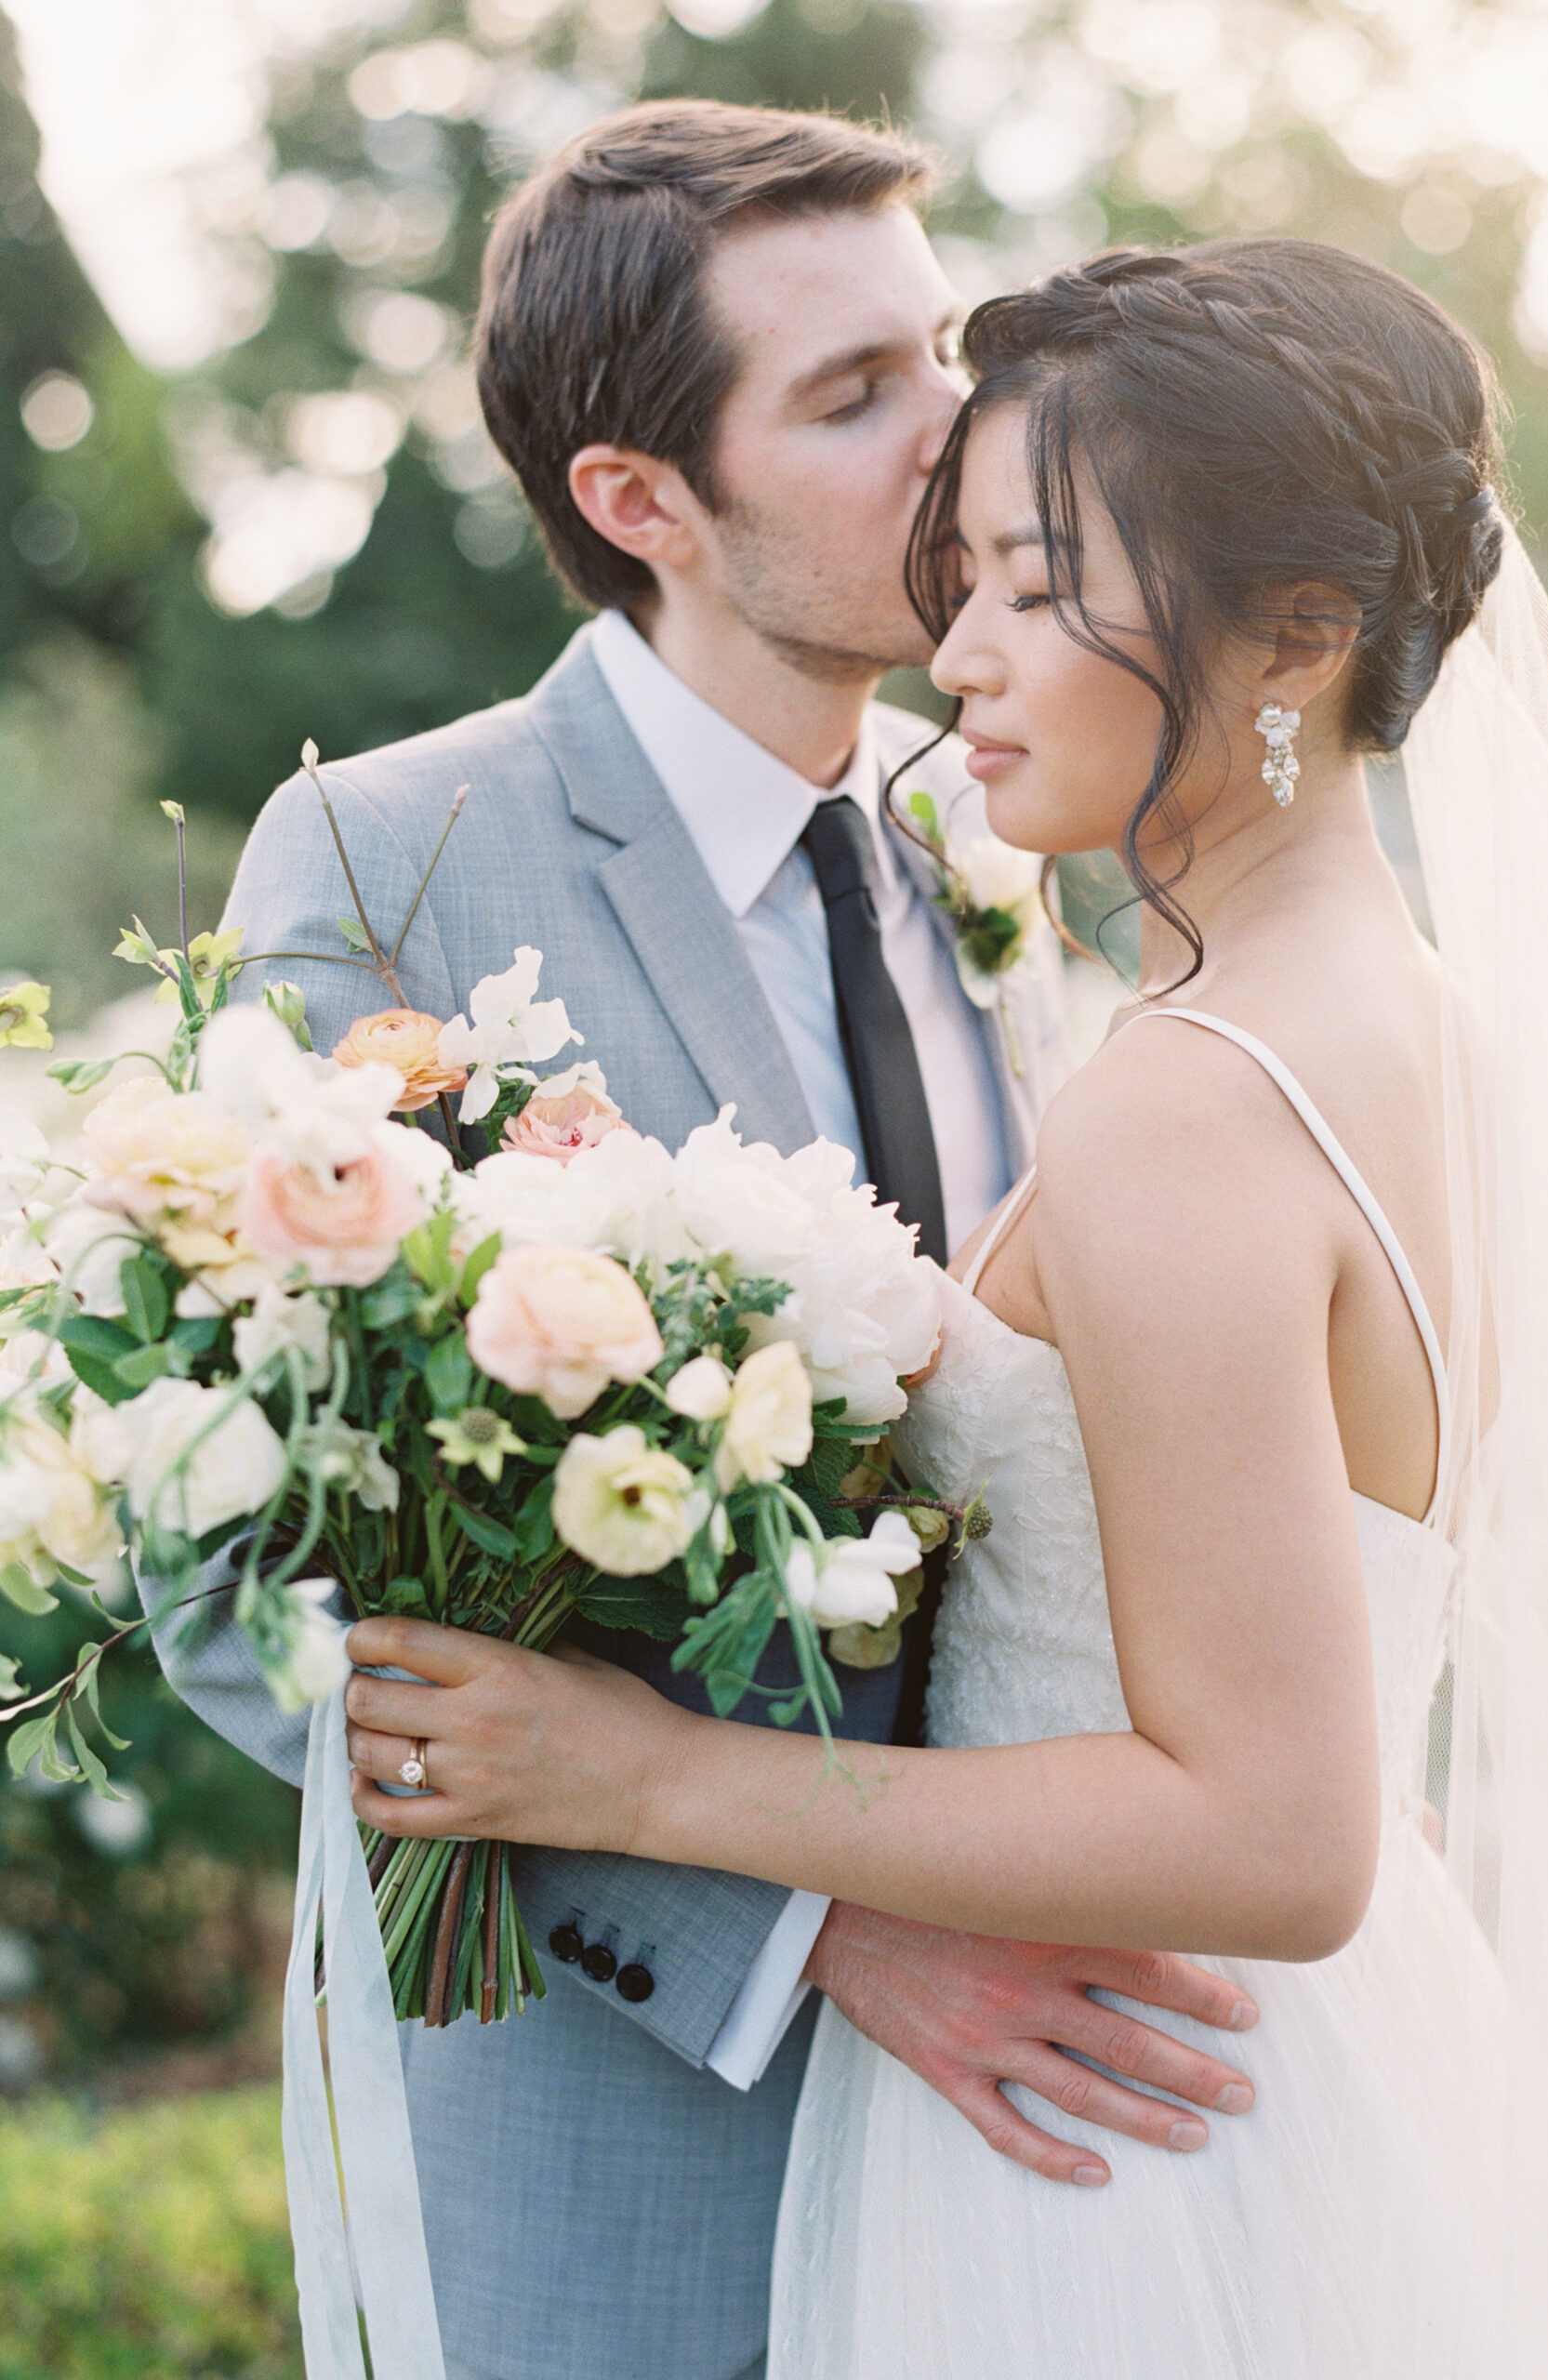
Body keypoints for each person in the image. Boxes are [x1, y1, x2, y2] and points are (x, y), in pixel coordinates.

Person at [345, 236, 1548, 2375]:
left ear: (1296, 634)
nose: (963, 655)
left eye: (1039, 584)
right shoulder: (1408, 1023)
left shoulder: (1190, 1107)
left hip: (1117, 2141)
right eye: (973, 578)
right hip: (1296, 2078)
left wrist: (638, 1776)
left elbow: (1276, 1833)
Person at [150, 107, 1261, 2380]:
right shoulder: (388, 859)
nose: (959, 446)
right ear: (640, 503)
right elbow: (241, 1580)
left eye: (940, 354)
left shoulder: (991, 840)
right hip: (639, 2170)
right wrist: (815, 1932)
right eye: (852, 398)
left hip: (1045, 2158)